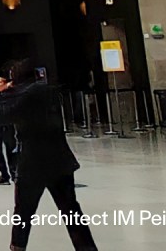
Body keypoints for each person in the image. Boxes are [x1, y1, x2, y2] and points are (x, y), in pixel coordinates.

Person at [5, 60, 97, 251]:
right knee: (70, 209)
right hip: (59, 159)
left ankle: (18, 247)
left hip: (33, 163)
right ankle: (86, 248)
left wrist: (7, 91)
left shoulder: (22, 96)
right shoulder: (49, 92)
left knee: (23, 212)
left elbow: (4, 115)